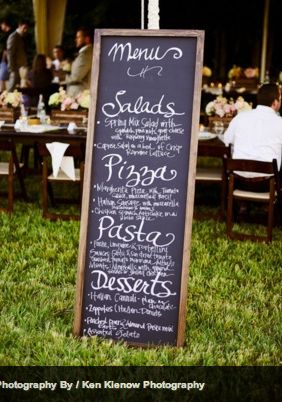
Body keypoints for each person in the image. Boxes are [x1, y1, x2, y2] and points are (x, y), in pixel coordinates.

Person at [224, 83, 282, 177]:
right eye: (280, 99)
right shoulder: (280, 123)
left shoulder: (240, 117)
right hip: (267, 185)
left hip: (238, 180)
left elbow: (226, 141)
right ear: (275, 102)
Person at [65, 27, 93, 97]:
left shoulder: (86, 54)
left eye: (78, 37)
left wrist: (63, 76)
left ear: (87, 39)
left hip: (80, 95)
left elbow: (75, 77)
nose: (76, 40)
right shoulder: (86, 53)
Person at [6, 20, 29, 91]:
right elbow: (10, 53)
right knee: (11, 88)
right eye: (24, 28)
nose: (25, 30)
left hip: (20, 67)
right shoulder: (13, 36)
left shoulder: (20, 37)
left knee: (18, 89)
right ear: (19, 26)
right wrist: (11, 68)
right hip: (15, 68)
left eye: (27, 28)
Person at [0, 18, 12, 92]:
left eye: (1, 25)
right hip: (6, 61)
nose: (1, 27)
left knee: (1, 79)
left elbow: (7, 49)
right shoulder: (10, 34)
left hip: (6, 61)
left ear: (4, 24)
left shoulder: (9, 35)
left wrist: (4, 59)